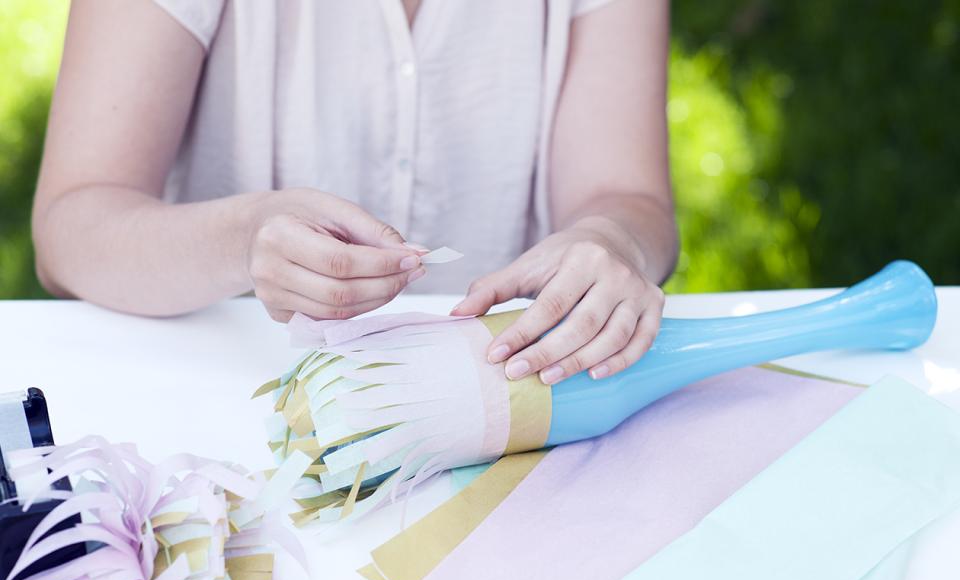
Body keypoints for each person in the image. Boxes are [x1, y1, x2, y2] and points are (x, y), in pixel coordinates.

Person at [32, 0, 677, 386]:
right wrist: (245, 237)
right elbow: (72, 227)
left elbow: (626, 196)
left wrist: (609, 241)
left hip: (510, 419)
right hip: (231, 412)